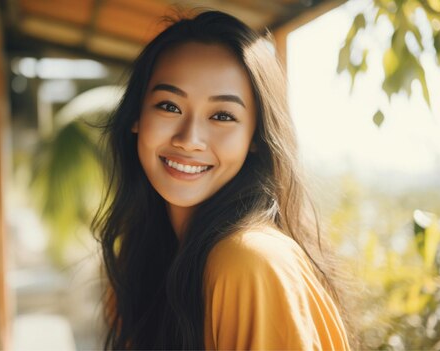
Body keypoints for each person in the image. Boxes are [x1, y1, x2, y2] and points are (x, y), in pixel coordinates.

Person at [93, 10, 352, 350]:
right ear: (136, 117)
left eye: (222, 116)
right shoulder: (147, 253)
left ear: (255, 138)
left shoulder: (248, 260)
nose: (189, 138)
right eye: (169, 106)